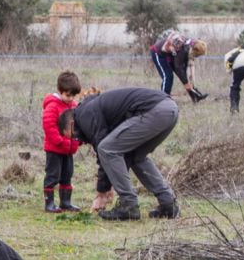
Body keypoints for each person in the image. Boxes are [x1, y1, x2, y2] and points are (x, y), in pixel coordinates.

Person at [58, 87, 180, 221]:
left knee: (106, 148)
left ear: (71, 123)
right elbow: (115, 155)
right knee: (135, 156)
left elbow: (103, 149)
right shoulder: (91, 109)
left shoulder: (84, 115)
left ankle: (128, 205)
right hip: (169, 109)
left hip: (154, 110)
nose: (77, 140)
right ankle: (168, 203)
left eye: (72, 136)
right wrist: (110, 183)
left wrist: (102, 192)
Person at [41, 71, 82, 213]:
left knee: (67, 175)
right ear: (60, 91)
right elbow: (49, 126)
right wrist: (59, 141)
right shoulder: (52, 106)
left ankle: (65, 202)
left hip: (68, 149)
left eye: (73, 96)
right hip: (54, 149)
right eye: (68, 95)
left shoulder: (74, 107)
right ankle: (49, 203)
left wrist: (77, 140)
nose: (70, 99)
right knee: (53, 175)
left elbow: (77, 125)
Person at [150, 31, 207, 102]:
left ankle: (195, 97)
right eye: (196, 55)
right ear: (194, 50)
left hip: (170, 54)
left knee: (184, 77)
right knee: (168, 76)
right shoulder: (183, 49)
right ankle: (163, 99)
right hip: (158, 53)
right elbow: (178, 67)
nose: (196, 56)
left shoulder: (190, 46)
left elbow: (186, 69)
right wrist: (186, 83)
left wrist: (189, 82)